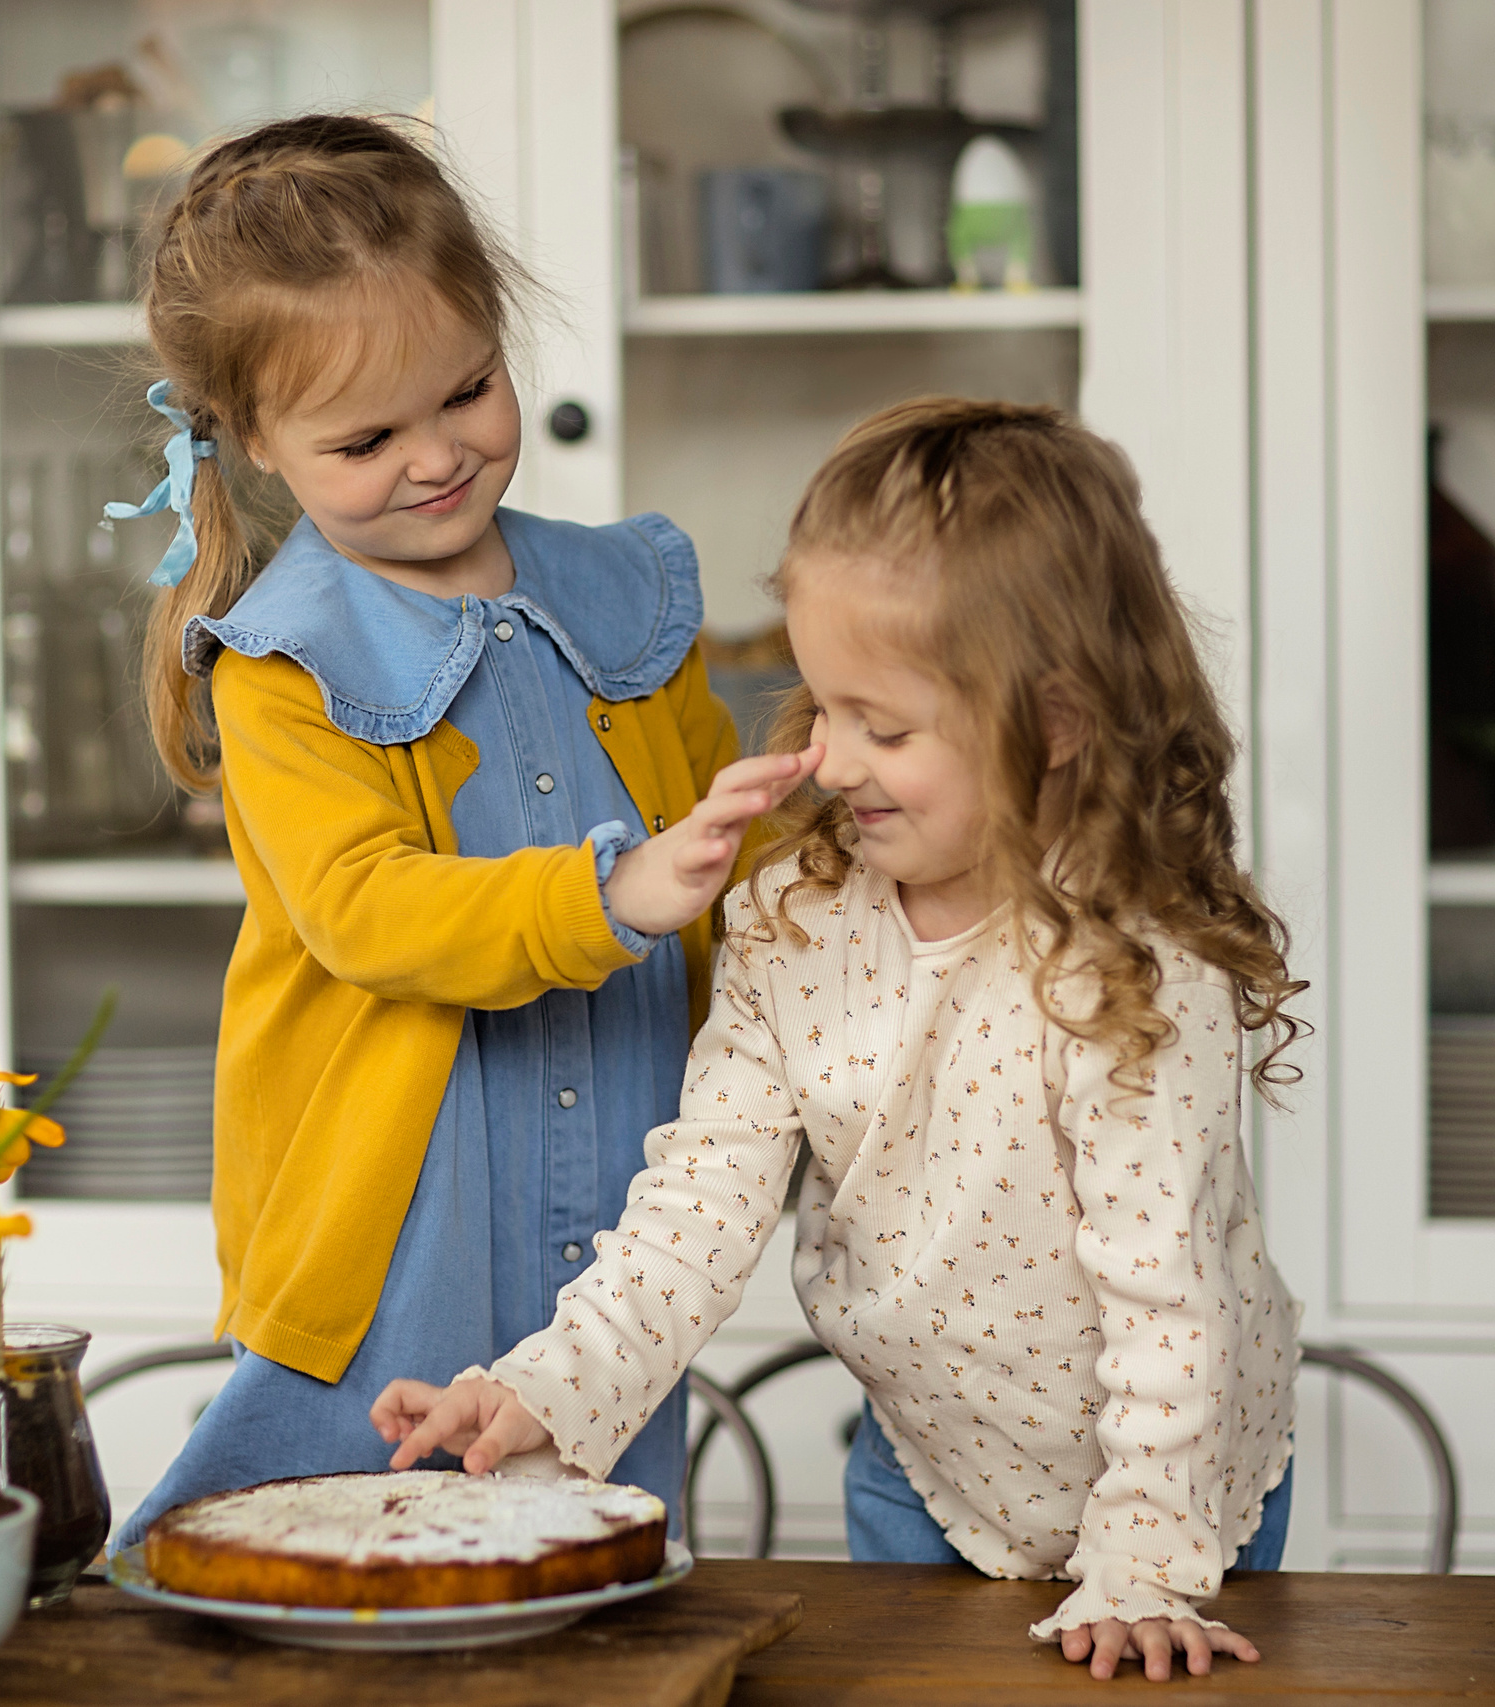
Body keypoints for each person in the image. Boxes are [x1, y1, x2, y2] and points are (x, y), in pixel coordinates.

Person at [373, 398, 1308, 1682]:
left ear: (1056, 721)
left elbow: (1173, 1298)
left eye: (889, 727)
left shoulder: (1130, 964)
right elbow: (694, 1205)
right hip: (922, 1478)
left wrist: (1144, 1562)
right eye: (823, 707)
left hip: (1178, 1488)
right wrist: (547, 1388)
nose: (833, 762)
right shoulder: (792, 927)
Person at [102, 114, 813, 1553]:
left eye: (469, 391)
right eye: (366, 438)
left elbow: (749, 873)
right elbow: (364, 909)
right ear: (253, 441)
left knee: (575, 1536)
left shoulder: (633, 596)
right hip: (396, 1218)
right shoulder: (282, 663)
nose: (436, 457)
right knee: (310, 1544)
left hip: (627, 1194)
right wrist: (619, 886)